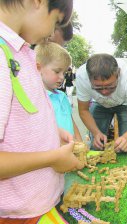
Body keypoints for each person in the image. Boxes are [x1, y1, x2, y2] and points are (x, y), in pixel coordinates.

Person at [0, 0, 83, 222]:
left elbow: (22, 118)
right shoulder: (3, 56)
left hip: (37, 205)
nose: (52, 32)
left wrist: (54, 132)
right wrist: (51, 159)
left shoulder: (22, 52)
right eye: (56, 21)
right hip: (16, 214)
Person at [76, 53, 127, 153]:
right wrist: (96, 133)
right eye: (98, 88)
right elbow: (83, 110)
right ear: (89, 78)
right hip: (99, 103)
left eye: (110, 86)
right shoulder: (82, 76)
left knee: (125, 146)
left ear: (118, 74)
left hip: (125, 103)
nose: (104, 92)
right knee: (97, 144)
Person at [35, 42, 82, 141]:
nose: (62, 77)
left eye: (64, 72)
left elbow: (71, 121)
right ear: (38, 68)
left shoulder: (62, 95)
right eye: (57, 71)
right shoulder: (36, 97)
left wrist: (80, 141)